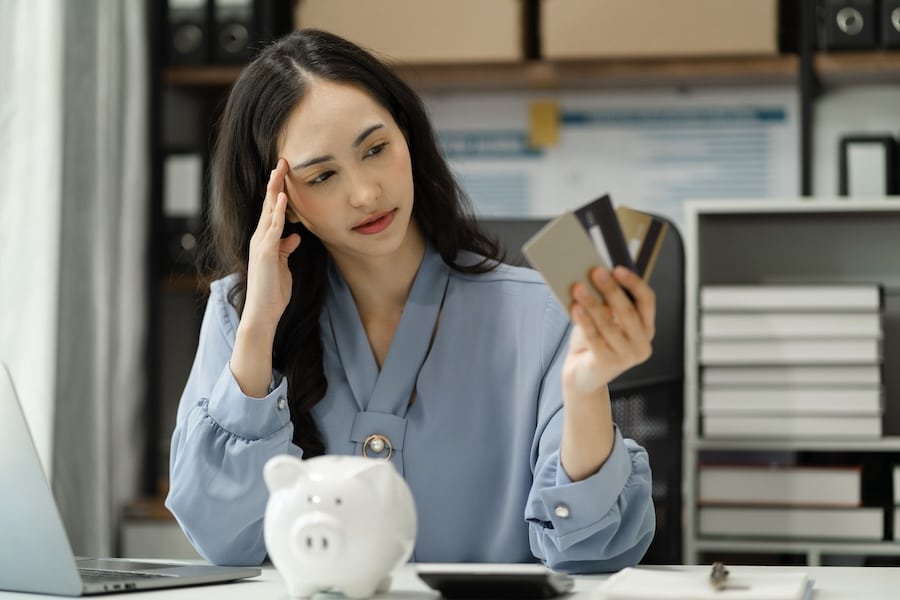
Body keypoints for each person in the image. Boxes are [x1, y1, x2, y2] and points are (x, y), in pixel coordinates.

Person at [166, 28, 657, 573]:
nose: (367, 193)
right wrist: (259, 328)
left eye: (375, 149)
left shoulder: (546, 316)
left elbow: (592, 554)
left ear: (408, 137)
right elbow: (221, 542)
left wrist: (585, 392)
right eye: (323, 175)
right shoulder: (240, 314)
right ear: (284, 203)